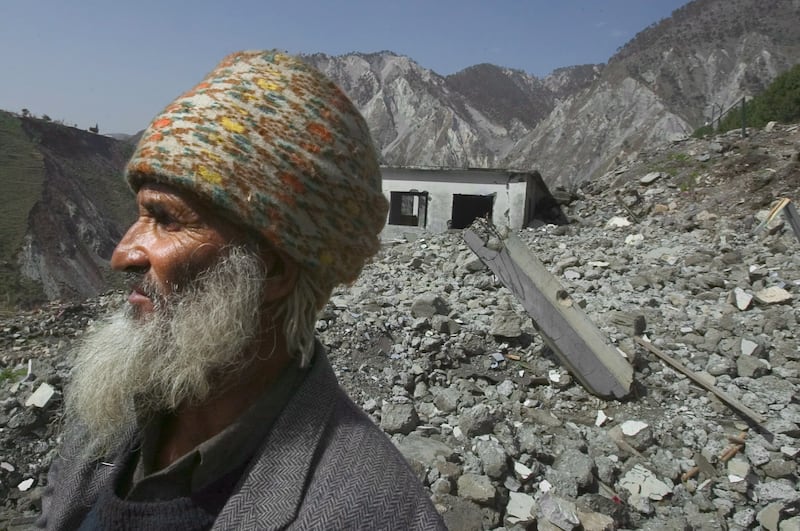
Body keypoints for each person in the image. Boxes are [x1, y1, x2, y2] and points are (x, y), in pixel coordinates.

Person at [37, 50, 446, 530]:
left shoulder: (369, 512)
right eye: (139, 215)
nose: (123, 253)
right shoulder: (108, 417)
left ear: (271, 270)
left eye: (165, 219)